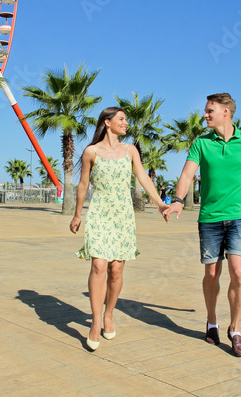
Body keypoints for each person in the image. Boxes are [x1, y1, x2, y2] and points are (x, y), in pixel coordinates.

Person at [163, 93, 241, 356]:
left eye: (209, 111)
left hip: (240, 217)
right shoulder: (201, 144)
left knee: (238, 272)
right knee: (211, 275)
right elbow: (187, 173)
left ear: (226, 112)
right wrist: (177, 200)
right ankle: (212, 321)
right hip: (209, 218)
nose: (204, 115)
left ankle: (235, 328)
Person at [70, 107, 169, 351]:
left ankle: (109, 315)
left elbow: (144, 178)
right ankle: (94, 322)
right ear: (108, 122)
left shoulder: (130, 150)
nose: (126, 123)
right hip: (100, 212)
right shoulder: (91, 151)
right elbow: (83, 184)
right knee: (99, 265)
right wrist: (77, 214)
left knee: (116, 269)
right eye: (121, 119)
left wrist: (159, 203)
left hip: (123, 215)